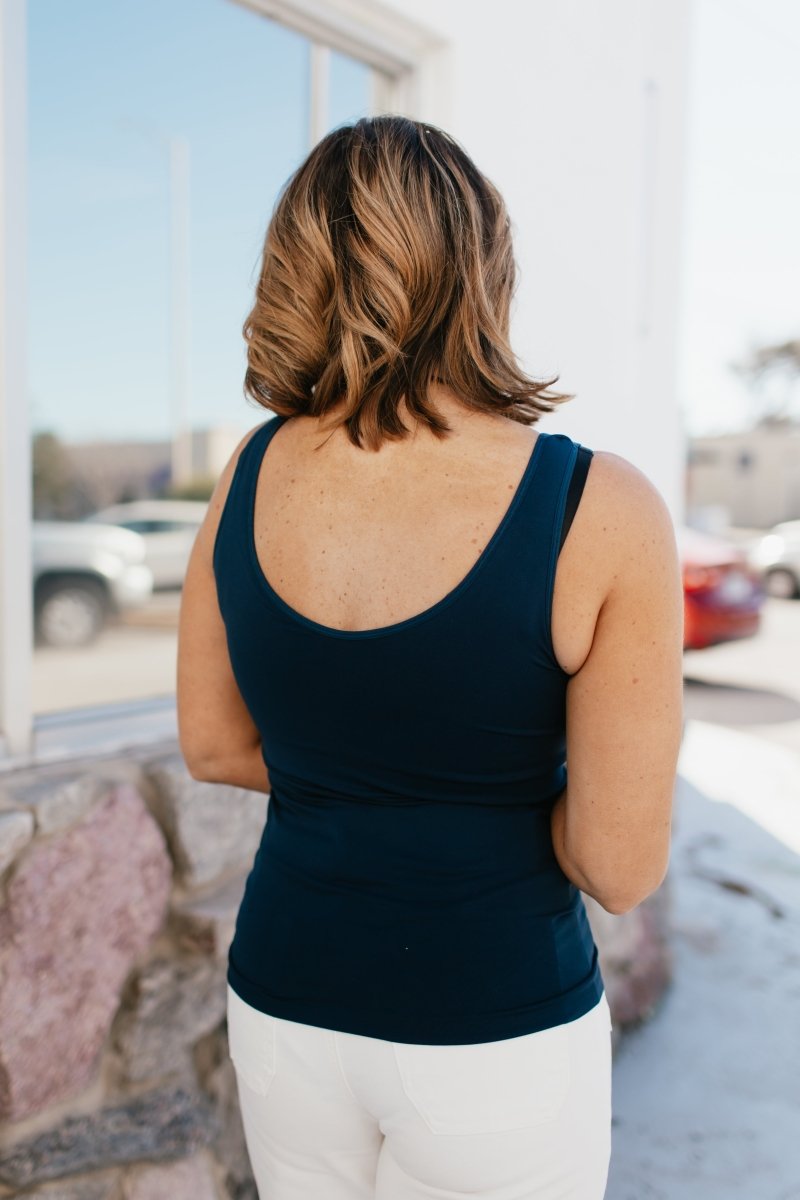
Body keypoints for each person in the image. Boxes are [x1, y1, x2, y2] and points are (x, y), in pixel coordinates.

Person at [176, 115, 684, 1200]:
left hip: (286, 1008)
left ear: (296, 268)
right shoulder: (595, 507)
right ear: (481, 267)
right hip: (492, 1028)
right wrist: (467, 791)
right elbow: (617, 863)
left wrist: (360, 783)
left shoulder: (248, 473)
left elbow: (214, 746)